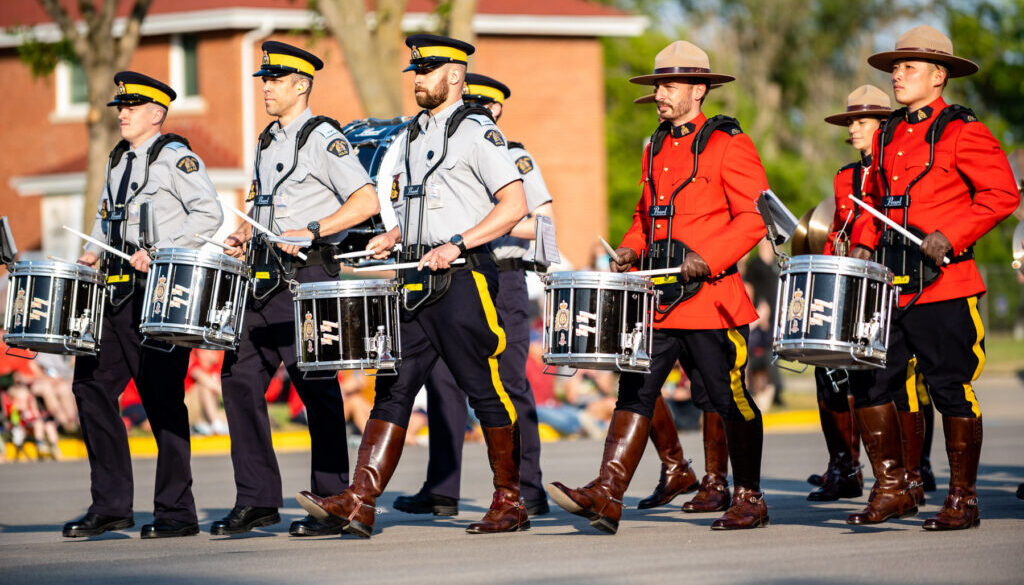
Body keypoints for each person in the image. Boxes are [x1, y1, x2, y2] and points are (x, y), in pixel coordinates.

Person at [296, 33, 530, 537]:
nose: (418, 79)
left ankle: (510, 500)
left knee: (484, 388)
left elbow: (514, 206)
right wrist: (395, 234)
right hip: (414, 279)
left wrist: (460, 244)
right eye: (415, 72)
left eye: (426, 71)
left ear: (454, 74)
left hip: (465, 278)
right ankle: (360, 500)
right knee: (392, 387)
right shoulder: (414, 134)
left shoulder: (477, 131)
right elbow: (428, 205)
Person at [547, 40, 770, 532]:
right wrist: (629, 248)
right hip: (659, 300)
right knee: (635, 389)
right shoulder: (655, 146)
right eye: (657, 84)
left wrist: (706, 259)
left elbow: (755, 218)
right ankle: (607, 492)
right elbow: (644, 218)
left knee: (729, 397)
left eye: (669, 85)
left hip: (711, 299)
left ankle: (749, 497)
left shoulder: (729, 143)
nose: (661, 94)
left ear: (699, 89)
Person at [847, 25, 1018, 529]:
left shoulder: (965, 129)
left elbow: (1002, 194)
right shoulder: (889, 133)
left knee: (949, 389)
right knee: (872, 382)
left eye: (909, 68)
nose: (897, 76)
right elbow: (871, 200)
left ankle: (963, 499)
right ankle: (895, 487)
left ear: (938, 76)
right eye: (895, 68)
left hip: (945, 285)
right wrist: (860, 239)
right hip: (887, 285)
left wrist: (952, 233)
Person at [218, 41, 380, 537]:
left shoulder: (323, 137)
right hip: (262, 275)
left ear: (301, 85)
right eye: (264, 79)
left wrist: (313, 229)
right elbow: (260, 200)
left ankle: (331, 499)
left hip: (308, 273)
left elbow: (367, 200)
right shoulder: (267, 139)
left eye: (274, 80)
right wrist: (244, 232)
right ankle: (257, 499)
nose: (265, 86)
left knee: (316, 387)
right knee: (238, 379)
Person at [64, 71, 223, 538]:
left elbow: (209, 214)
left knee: (162, 402)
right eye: (120, 106)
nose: (123, 113)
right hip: (112, 297)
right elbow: (104, 218)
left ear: (157, 113)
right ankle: (110, 504)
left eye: (132, 106)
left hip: (158, 299)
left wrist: (159, 249)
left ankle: (176, 512)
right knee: (90, 388)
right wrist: (91, 251)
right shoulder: (117, 160)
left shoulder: (177, 158)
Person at [391, 72, 553, 518]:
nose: (479, 111)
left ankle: (526, 489)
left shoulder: (512, 155)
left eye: (488, 105)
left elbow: (538, 223)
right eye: (473, 102)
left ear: (499, 111)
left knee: (509, 383)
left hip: (502, 275)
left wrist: (480, 222)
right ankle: (442, 488)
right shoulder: (446, 151)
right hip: (452, 276)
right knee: (442, 384)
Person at [802, 84, 895, 502]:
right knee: (829, 373)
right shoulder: (845, 176)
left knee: (885, 382)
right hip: (848, 286)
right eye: (850, 121)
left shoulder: (895, 169)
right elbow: (839, 231)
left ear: (883, 125)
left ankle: (900, 474)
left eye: (862, 120)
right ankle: (844, 467)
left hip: (888, 286)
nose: (853, 128)